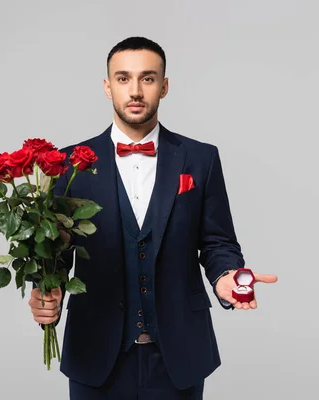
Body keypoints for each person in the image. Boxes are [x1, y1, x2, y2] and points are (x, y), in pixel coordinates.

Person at [28, 36, 278, 399]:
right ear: (107, 86)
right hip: (95, 350)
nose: (135, 91)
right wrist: (44, 290)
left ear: (164, 86)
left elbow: (217, 241)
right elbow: (57, 254)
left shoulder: (200, 159)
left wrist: (226, 276)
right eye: (123, 78)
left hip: (179, 353)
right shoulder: (69, 165)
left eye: (147, 78)